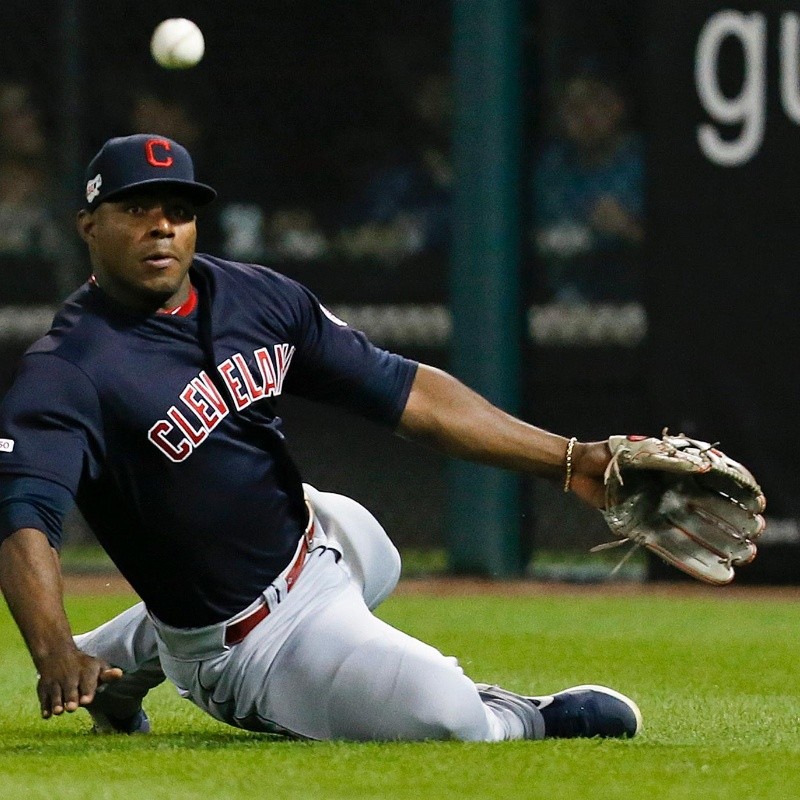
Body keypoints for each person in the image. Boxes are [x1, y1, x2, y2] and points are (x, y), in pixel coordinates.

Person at [0, 134, 641, 742]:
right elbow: (23, 514)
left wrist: (571, 459)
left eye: (179, 209)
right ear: (88, 225)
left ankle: (117, 668)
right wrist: (53, 650)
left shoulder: (255, 297)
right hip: (247, 643)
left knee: (374, 544)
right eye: (135, 207)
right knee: (448, 715)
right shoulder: (69, 369)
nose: (162, 225)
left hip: (318, 542)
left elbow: (407, 391)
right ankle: (522, 717)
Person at [531, 68, 645, 304]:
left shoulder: (645, 162)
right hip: (556, 303)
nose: (585, 115)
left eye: (596, 101)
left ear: (619, 105)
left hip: (630, 301)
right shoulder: (553, 166)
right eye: (573, 105)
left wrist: (629, 228)